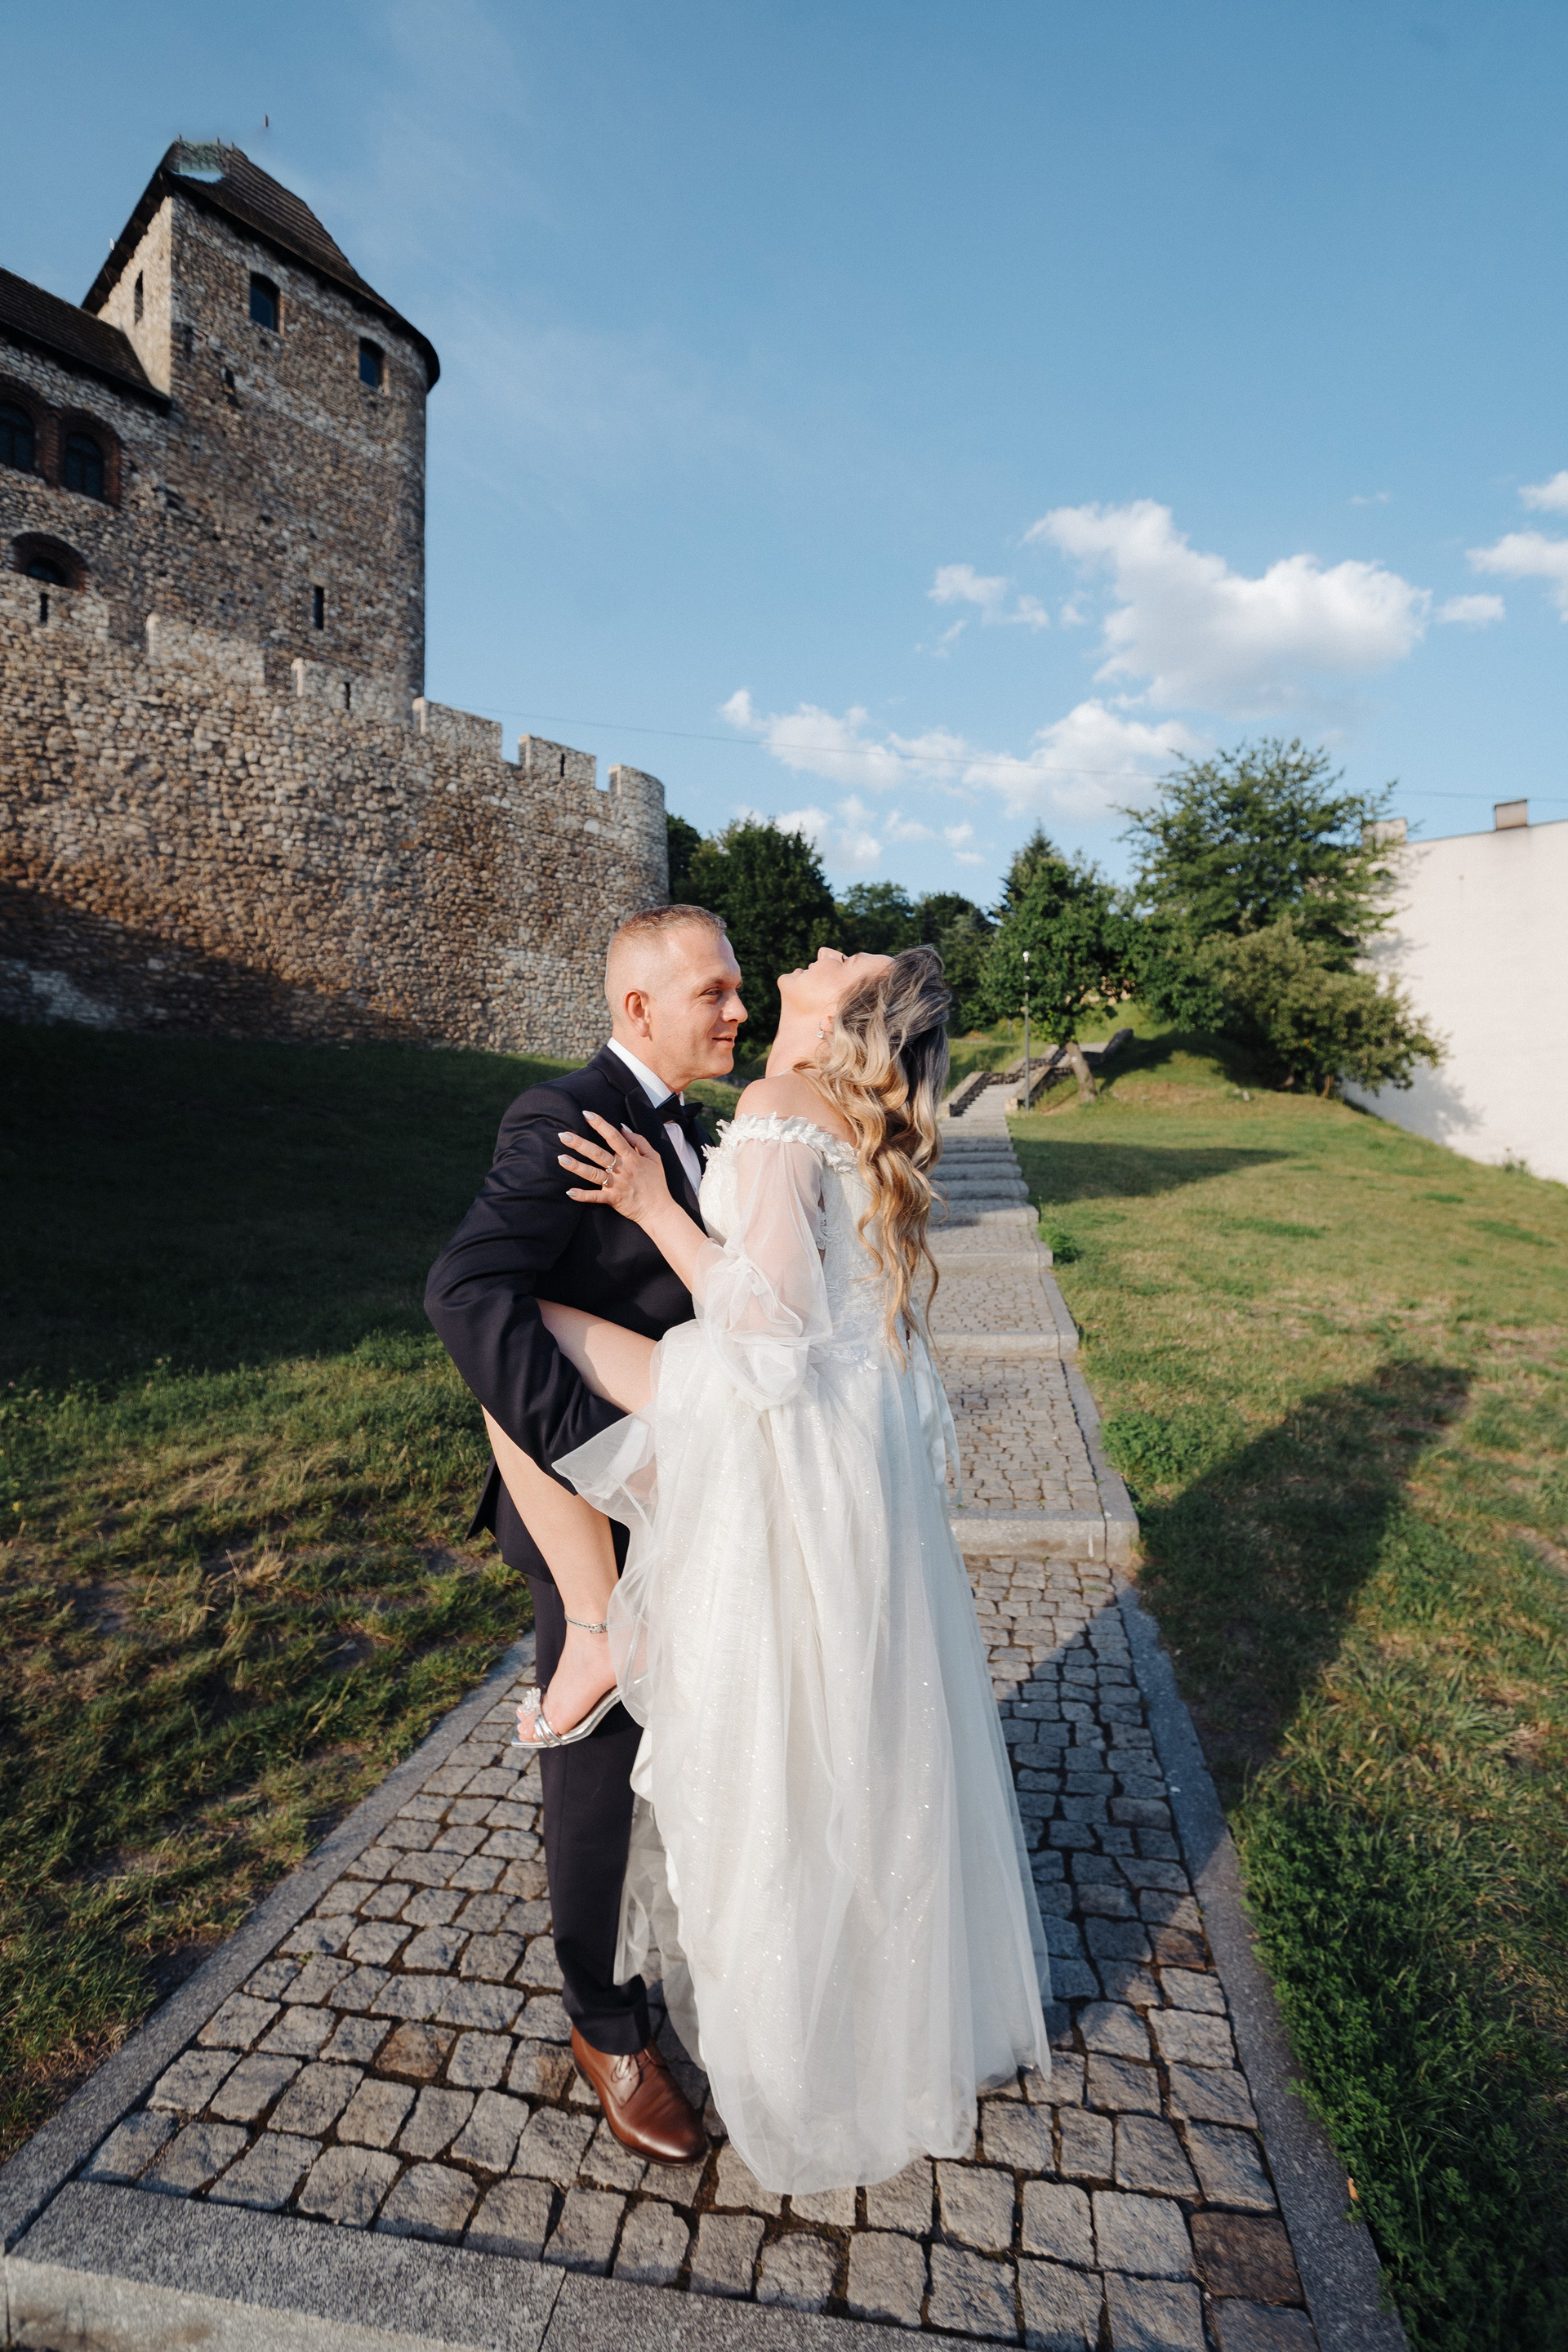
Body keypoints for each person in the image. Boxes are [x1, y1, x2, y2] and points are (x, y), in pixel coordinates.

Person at [532, 942, 1051, 2196]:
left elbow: (763, 1332)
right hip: (857, 1456)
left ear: (855, 1008)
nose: (820, 946)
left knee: (514, 1321)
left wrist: (654, 1209)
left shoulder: (777, 1105)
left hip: (785, 1427)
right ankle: (881, 2026)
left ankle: (596, 1620)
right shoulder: (851, 1119)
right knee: (847, 1736)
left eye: (846, 957)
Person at [424, 903, 746, 2165]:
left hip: (706, 1495)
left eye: (737, 989)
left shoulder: (703, 1131)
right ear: (637, 1008)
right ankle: (603, 2022)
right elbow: (468, 1290)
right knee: (595, 1766)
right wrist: (609, 1463)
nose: (738, 1008)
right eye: (715, 991)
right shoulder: (563, 1115)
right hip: (597, 1525)